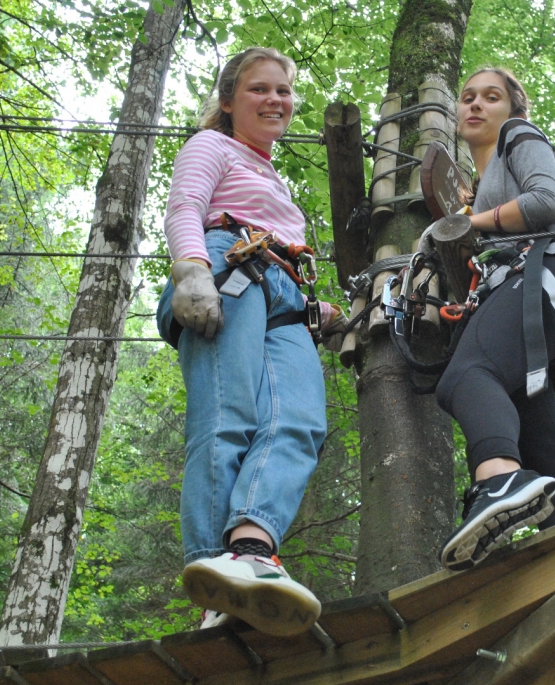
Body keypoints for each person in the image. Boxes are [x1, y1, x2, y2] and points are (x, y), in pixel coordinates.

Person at [156, 47, 347, 636]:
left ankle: (251, 548)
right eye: (259, 90)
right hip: (228, 267)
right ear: (229, 101)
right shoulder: (210, 146)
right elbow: (186, 205)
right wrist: (190, 270)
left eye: (283, 92)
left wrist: (319, 309)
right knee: (228, 415)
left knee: (299, 421)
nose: (275, 101)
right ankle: (213, 580)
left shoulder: (271, 173)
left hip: (284, 288)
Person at [435, 68, 555, 572]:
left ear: (514, 110)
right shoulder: (483, 186)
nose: (475, 105)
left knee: (466, 376)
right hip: (539, 298)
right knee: (537, 433)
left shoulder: (519, 136)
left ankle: (499, 480)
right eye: (467, 98)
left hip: (540, 280)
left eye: (492, 97)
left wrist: (465, 224)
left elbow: (547, 203)